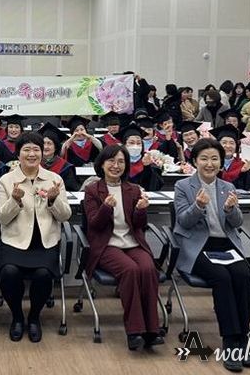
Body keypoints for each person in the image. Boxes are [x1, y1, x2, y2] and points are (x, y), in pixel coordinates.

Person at [173, 138, 250, 372]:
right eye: (204, 159)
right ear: (195, 161)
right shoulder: (183, 186)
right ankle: (230, 340)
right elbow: (184, 222)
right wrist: (198, 206)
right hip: (199, 246)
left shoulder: (227, 186)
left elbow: (237, 223)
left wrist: (230, 209)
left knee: (242, 275)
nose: (209, 164)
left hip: (225, 245)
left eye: (214, 159)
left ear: (221, 162)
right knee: (222, 277)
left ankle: (243, 338)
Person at [82, 145, 162, 349]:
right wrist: (106, 208)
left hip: (132, 242)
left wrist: (141, 210)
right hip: (107, 245)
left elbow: (139, 225)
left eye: (121, 162)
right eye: (111, 161)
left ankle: (152, 330)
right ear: (101, 164)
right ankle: (134, 331)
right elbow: (94, 224)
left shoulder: (133, 189)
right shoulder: (92, 190)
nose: (116, 166)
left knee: (148, 268)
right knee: (130, 270)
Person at [0, 133, 72, 343]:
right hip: (14, 241)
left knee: (43, 274)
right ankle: (17, 317)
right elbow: (0, 218)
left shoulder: (54, 179)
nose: (32, 154)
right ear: (18, 154)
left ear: (42, 153)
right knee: (9, 272)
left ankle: (34, 317)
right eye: (26, 150)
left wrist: (53, 200)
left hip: (44, 242)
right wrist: (14, 201)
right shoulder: (6, 180)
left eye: (36, 149)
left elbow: (65, 216)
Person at [116, 124, 163, 191]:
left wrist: (147, 167)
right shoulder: (116, 164)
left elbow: (155, 187)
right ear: (124, 145)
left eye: (138, 143)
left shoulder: (149, 161)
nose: (135, 146)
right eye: (131, 143)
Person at [38, 123, 79, 192]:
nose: (45, 147)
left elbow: (71, 190)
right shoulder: (35, 164)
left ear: (56, 147)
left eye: (49, 143)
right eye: (43, 143)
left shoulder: (65, 167)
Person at [211, 125, 250, 190]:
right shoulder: (211, 164)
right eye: (224, 142)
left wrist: (244, 173)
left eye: (232, 143)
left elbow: (248, 189)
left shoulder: (242, 166)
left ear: (236, 146)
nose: (228, 146)